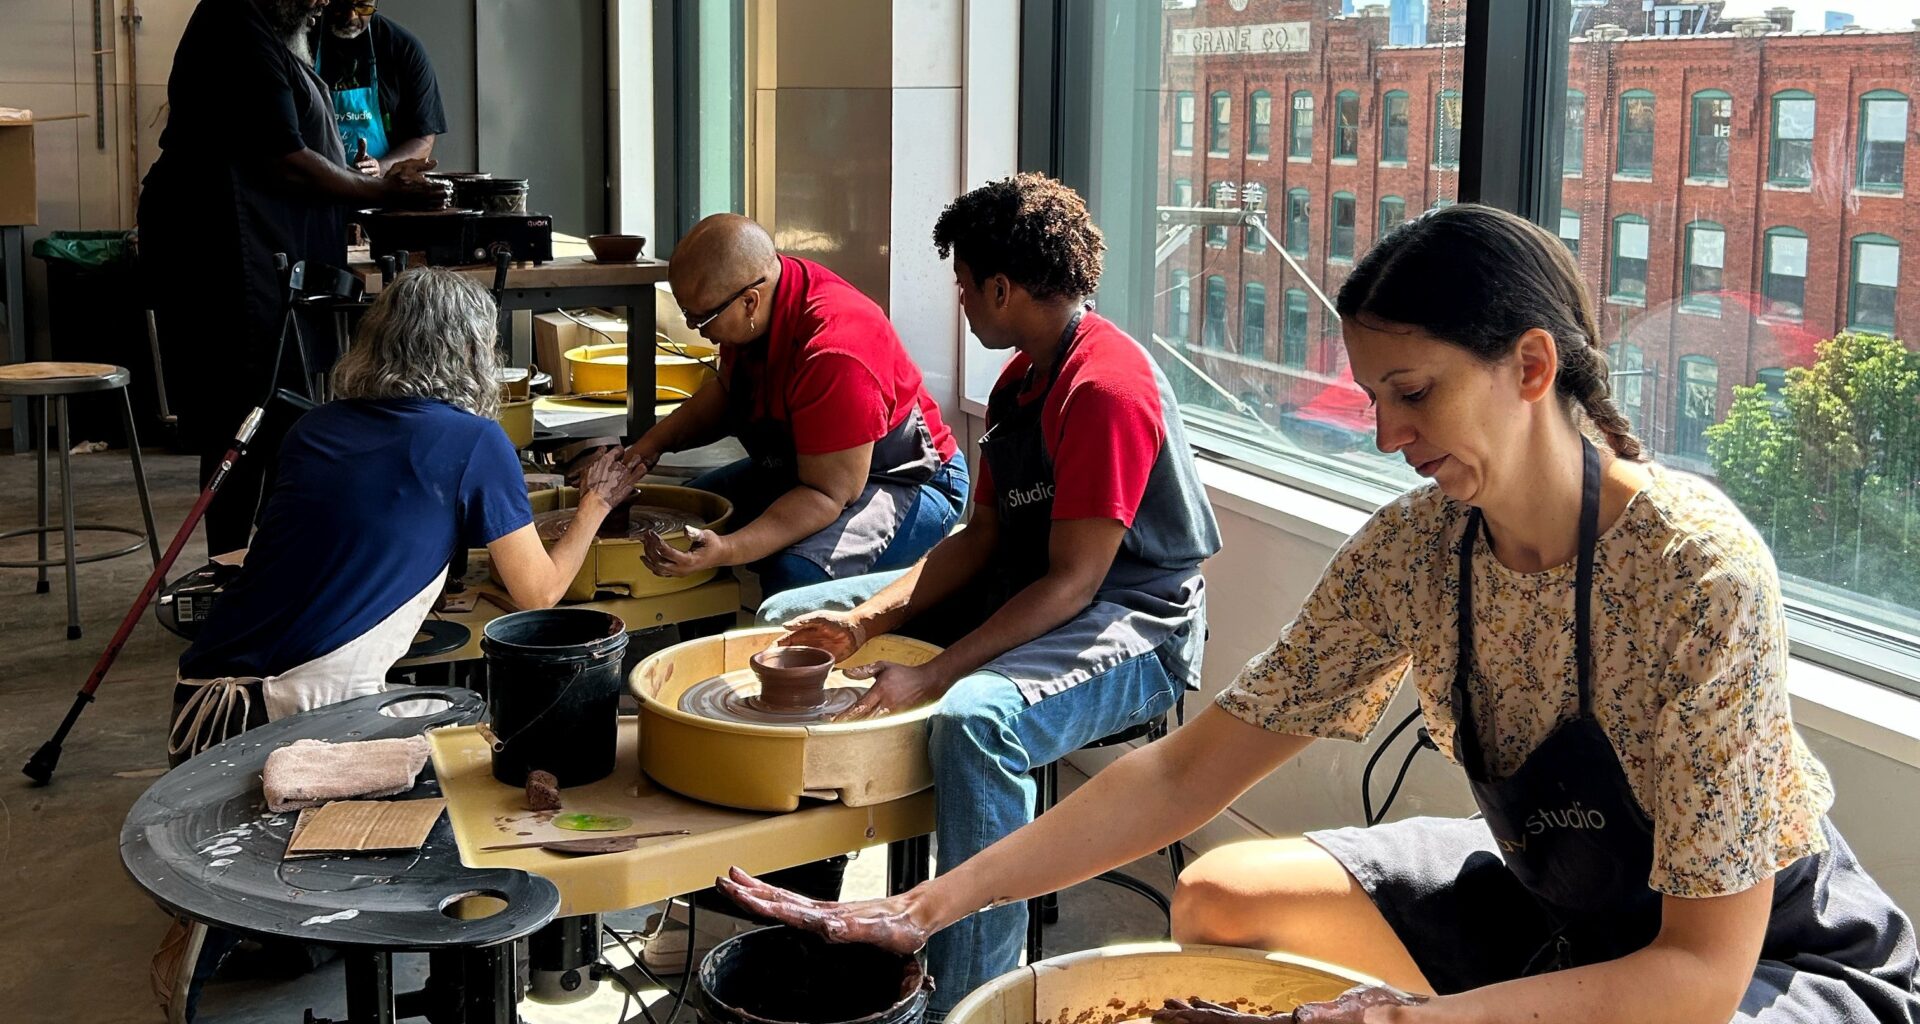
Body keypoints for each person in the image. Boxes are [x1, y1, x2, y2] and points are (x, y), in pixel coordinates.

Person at [721, 204, 1920, 1024]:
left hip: (1754, 962)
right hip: (1566, 909)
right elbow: (1187, 773)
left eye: (1413, 393)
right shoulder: (1418, 547)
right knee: (1219, 894)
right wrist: (929, 901)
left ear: (1533, 367)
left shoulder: (1695, 570)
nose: (1388, 436)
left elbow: (1696, 979)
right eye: (1374, 397)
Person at [734, 173, 1222, 1011]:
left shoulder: (1106, 389)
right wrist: (859, 623)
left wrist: (934, 673)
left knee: (974, 719)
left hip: (1136, 621)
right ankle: (804, 899)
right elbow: (982, 537)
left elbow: (1076, 584)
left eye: (963, 283)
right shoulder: (1017, 382)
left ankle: (975, 996)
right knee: (791, 621)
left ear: (1002, 286)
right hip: (1034, 584)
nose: (958, 298)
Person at [167, 268, 647, 762]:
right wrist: (595, 504)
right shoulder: (476, 441)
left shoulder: (312, 427)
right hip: (286, 710)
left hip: (198, 698)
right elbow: (539, 594)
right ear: (472, 353)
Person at [139, 0, 443, 558]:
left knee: (281, 424)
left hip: (270, 255)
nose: (324, 3)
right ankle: (228, 579)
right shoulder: (234, 26)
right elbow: (285, 159)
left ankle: (274, 572)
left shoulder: (278, 30)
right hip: (231, 257)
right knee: (241, 423)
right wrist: (379, 191)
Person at [627, 214, 969, 598]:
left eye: (700, 317)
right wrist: (646, 448)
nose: (693, 328)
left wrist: (730, 549)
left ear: (749, 302)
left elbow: (827, 495)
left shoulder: (835, 351)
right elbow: (727, 393)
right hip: (810, 466)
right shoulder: (756, 298)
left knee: (792, 578)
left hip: (900, 478)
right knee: (690, 515)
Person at [313, 0, 446, 176]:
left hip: (381, 193)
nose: (350, 16)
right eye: (342, 4)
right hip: (314, 185)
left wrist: (380, 168)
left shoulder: (403, 48)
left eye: (363, 6)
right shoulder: (300, 41)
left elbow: (423, 139)